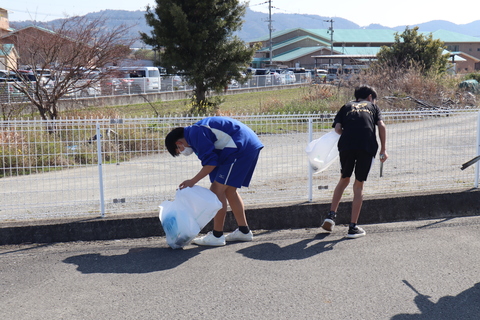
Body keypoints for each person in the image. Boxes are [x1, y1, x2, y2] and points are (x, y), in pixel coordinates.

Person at [165, 116, 264, 246]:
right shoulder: (195, 133)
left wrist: (192, 181)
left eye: (178, 150)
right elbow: (212, 162)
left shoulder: (195, 134)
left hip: (239, 147)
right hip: (245, 145)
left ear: (178, 143)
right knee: (229, 191)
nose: (181, 152)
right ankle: (243, 231)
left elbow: (210, 163)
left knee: (216, 191)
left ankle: (217, 235)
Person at [321, 85, 388, 238]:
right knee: (359, 185)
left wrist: (350, 134)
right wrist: (383, 149)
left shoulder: (346, 106)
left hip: (346, 145)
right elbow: (381, 125)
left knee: (344, 179)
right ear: (370, 97)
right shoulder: (373, 107)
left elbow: (338, 128)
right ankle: (352, 227)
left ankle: (331, 216)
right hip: (366, 145)